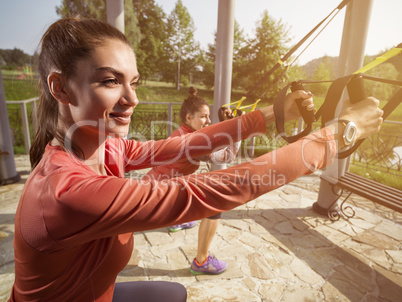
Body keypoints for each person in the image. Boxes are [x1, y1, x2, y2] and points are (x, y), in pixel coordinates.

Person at [8, 17, 383, 302]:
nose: (132, 99)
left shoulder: (102, 148)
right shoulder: (67, 192)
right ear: (60, 87)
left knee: (175, 294)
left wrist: (271, 114)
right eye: (110, 81)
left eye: (133, 82)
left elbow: (184, 146)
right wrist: (338, 133)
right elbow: (217, 189)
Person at [145, 87, 243, 275]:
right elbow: (227, 155)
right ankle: (201, 261)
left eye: (208, 116)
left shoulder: (182, 132)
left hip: (156, 184)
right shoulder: (194, 142)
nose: (209, 121)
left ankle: (176, 220)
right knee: (216, 204)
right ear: (189, 118)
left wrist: (228, 124)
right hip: (161, 193)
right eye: (204, 117)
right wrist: (237, 128)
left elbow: (213, 139)